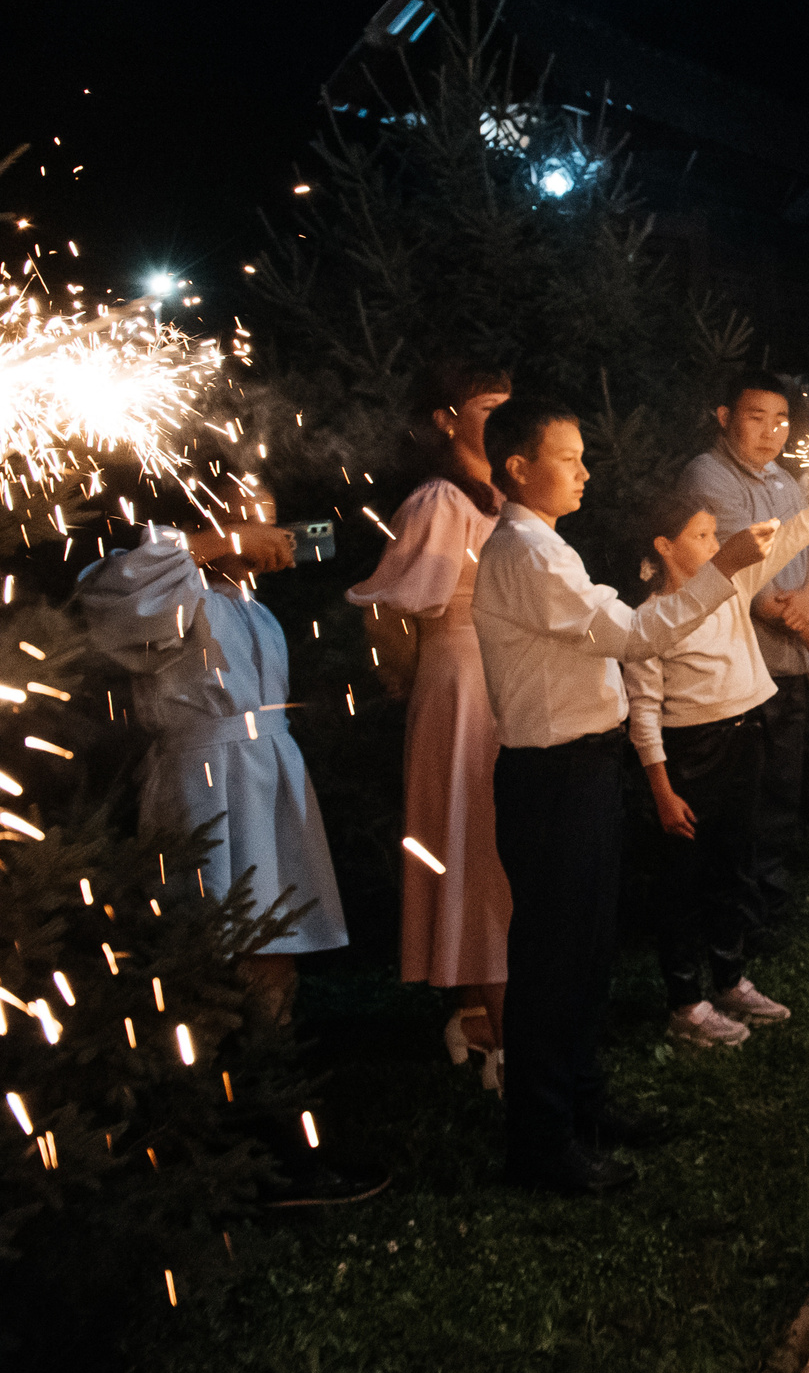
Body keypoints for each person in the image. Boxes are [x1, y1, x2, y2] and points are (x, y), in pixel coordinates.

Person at [473, 396, 785, 1195]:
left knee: (585, 954)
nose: (585, 469)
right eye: (570, 455)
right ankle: (543, 1143)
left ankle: (584, 1106)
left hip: (581, 769)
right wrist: (725, 567)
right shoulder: (527, 554)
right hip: (553, 778)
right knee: (553, 962)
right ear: (518, 467)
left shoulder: (547, 545)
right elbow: (636, 635)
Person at [82, 480, 349, 1029]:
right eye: (249, 519)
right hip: (206, 782)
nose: (265, 534)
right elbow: (112, 588)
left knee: (276, 935)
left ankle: (267, 1058)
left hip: (269, 777)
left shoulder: (257, 612)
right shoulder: (180, 595)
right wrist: (223, 539)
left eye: (270, 522)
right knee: (210, 932)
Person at [626, 484, 809, 1050]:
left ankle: (728, 978)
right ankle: (685, 1002)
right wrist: (664, 792)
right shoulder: (650, 620)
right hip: (692, 755)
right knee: (682, 880)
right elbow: (643, 712)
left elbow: (780, 544)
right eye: (701, 536)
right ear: (665, 547)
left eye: (715, 533)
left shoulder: (731, 585)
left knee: (734, 864)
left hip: (748, 737)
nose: (716, 544)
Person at [345, 363, 511, 1091]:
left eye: (512, 399)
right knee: (473, 833)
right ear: (448, 418)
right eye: (488, 401)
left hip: (509, 674)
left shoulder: (506, 491)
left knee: (494, 837)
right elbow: (386, 604)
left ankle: (480, 1011)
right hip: (464, 681)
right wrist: (408, 674)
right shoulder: (441, 500)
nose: (506, 410)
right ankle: (484, 1015)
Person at [677, 370, 809, 945]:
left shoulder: (787, 482)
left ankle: (769, 905)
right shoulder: (708, 477)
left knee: (780, 790)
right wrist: (807, 630)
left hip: (788, 659)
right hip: (746, 664)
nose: (771, 432)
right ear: (725, 417)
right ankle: (739, 920)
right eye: (756, 417)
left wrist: (807, 604)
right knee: (746, 798)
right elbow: (738, 567)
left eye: (781, 420)